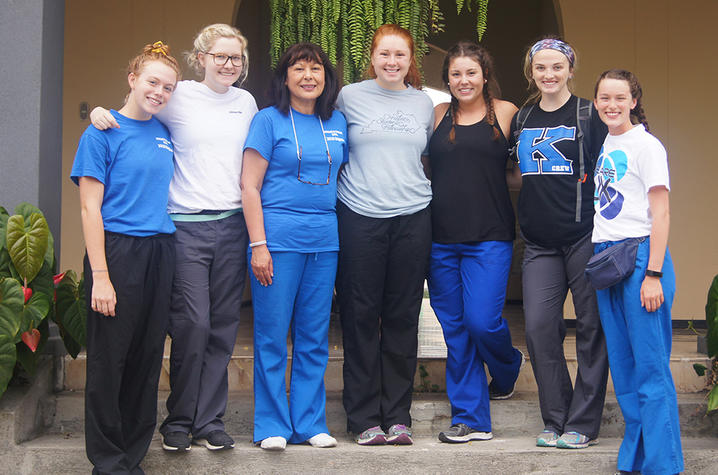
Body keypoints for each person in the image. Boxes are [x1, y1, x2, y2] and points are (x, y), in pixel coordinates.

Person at [90, 24, 258, 452]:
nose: (228, 64)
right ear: (200, 58)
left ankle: (209, 421)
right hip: (184, 227)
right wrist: (99, 116)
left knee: (222, 329)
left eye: (235, 58)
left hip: (232, 224)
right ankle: (179, 420)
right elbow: (136, 112)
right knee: (192, 326)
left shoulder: (247, 102)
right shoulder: (177, 93)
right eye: (219, 56)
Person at [72, 41, 180, 474]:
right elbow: (88, 208)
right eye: (152, 82)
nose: (159, 92)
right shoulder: (100, 131)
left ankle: (132, 456)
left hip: (160, 250)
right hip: (116, 251)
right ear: (132, 79)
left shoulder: (165, 132)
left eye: (168, 87)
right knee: (109, 358)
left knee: (148, 355)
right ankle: (108, 461)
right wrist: (101, 275)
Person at [240, 42, 347, 451]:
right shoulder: (267, 121)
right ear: (285, 77)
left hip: (325, 243)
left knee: (314, 336)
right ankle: (271, 425)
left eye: (316, 69)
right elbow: (249, 186)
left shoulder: (336, 122)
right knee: (271, 336)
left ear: (326, 77)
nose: (308, 76)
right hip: (277, 242)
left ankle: (309, 422)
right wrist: (259, 245)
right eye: (299, 68)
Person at [335, 24, 434, 446]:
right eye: (385, 54)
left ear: (411, 62)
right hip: (359, 215)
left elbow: (426, 157)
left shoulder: (424, 103)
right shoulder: (348, 97)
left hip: (413, 215)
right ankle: (362, 418)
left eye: (401, 56)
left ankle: (397, 416)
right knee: (359, 316)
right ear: (371, 57)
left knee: (402, 316)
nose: (392, 62)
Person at [510, 37, 609, 449]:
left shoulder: (590, 113)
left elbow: (613, 168)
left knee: (591, 328)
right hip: (538, 244)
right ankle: (555, 418)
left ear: (570, 68)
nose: (548, 75)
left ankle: (582, 424)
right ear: (531, 72)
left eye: (556, 67)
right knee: (538, 328)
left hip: (584, 236)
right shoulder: (523, 116)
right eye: (540, 68)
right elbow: (514, 173)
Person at [427, 41, 524, 444]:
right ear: (447, 79)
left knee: (482, 322)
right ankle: (471, 418)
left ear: (484, 74)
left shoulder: (506, 113)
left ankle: (507, 366)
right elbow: (430, 169)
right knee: (455, 330)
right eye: (455, 74)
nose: (463, 80)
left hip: (490, 236)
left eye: (471, 73)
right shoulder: (436, 114)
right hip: (440, 238)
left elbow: (520, 173)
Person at [592, 69, 683, 475]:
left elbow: (660, 213)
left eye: (619, 98)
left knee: (650, 368)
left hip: (641, 261)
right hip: (608, 260)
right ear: (595, 103)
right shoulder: (609, 141)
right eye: (603, 98)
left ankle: (663, 465)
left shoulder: (647, 146)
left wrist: (654, 274)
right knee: (625, 368)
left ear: (633, 101)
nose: (611, 105)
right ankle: (637, 458)